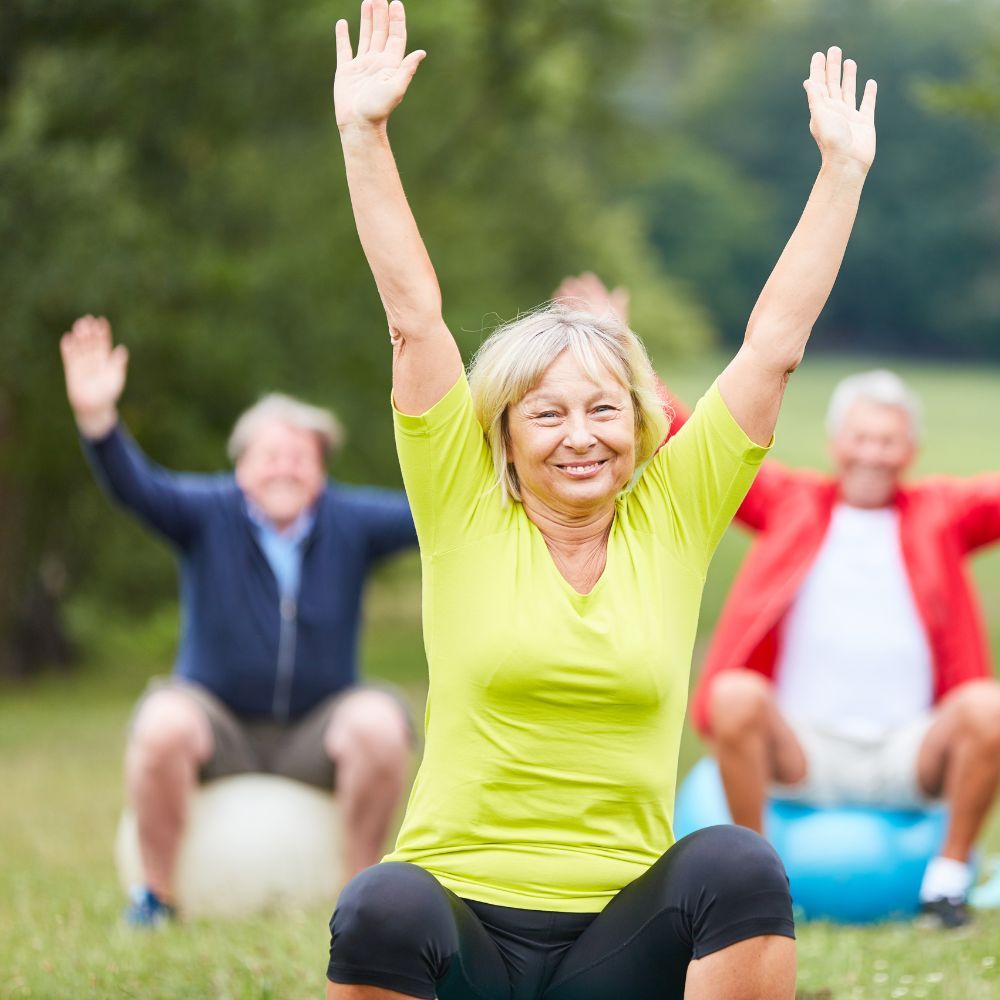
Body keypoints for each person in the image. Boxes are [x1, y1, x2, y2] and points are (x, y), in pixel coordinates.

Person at [327, 0, 876, 996]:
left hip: (616, 947)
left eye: (600, 409)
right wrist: (364, 136)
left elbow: (772, 349)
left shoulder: (672, 512)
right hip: (464, 938)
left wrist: (840, 174)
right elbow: (414, 320)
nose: (578, 434)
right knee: (380, 900)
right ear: (499, 436)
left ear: (639, 421)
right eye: (544, 415)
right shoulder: (463, 503)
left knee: (738, 863)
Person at [558, 275, 1000, 929]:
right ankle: (759, 877)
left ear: (911, 450)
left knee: (988, 707)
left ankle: (946, 880)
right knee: (734, 693)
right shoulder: (791, 503)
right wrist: (617, 344)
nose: (873, 453)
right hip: (800, 749)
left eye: (888, 440)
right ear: (835, 443)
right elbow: (683, 434)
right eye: (861, 437)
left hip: (909, 750)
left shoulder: (942, 513)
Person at [59, 314, 418, 926]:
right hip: (216, 721)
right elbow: (135, 487)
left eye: (301, 457)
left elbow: (435, 511)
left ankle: (358, 908)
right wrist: (98, 421)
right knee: (162, 723)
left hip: (317, 725)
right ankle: (155, 898)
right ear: (242, 465)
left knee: (382, 726)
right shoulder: (207, 512)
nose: (285, 468)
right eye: (270, 455)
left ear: (322, 470)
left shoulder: (350, 520)